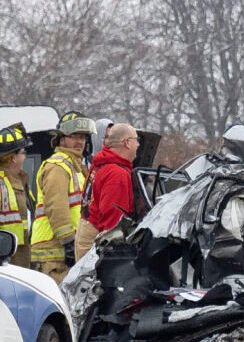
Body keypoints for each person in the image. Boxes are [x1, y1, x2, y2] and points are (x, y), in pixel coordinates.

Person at [29, 111, 92, 282]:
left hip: (67, 249)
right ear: (61, 139)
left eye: (83, 137)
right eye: (74, 136)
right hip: (54, 252)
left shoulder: (77, 168)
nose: (80, 142)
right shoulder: (57, 166)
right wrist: (69, 243)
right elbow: (57, 208)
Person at [76, 121, 143, 262]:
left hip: (86, 236)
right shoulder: (117, 173)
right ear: (127, 143)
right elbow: (113, 222)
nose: (138, 145)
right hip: (97, 243)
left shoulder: (101, 164)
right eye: (136, 140)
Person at [0, 123, 32, 267]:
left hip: (19, 257)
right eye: (23, 152)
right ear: (13, 158)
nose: (25, 156)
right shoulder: (3, 183)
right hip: (6, 262)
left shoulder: (20, 180)